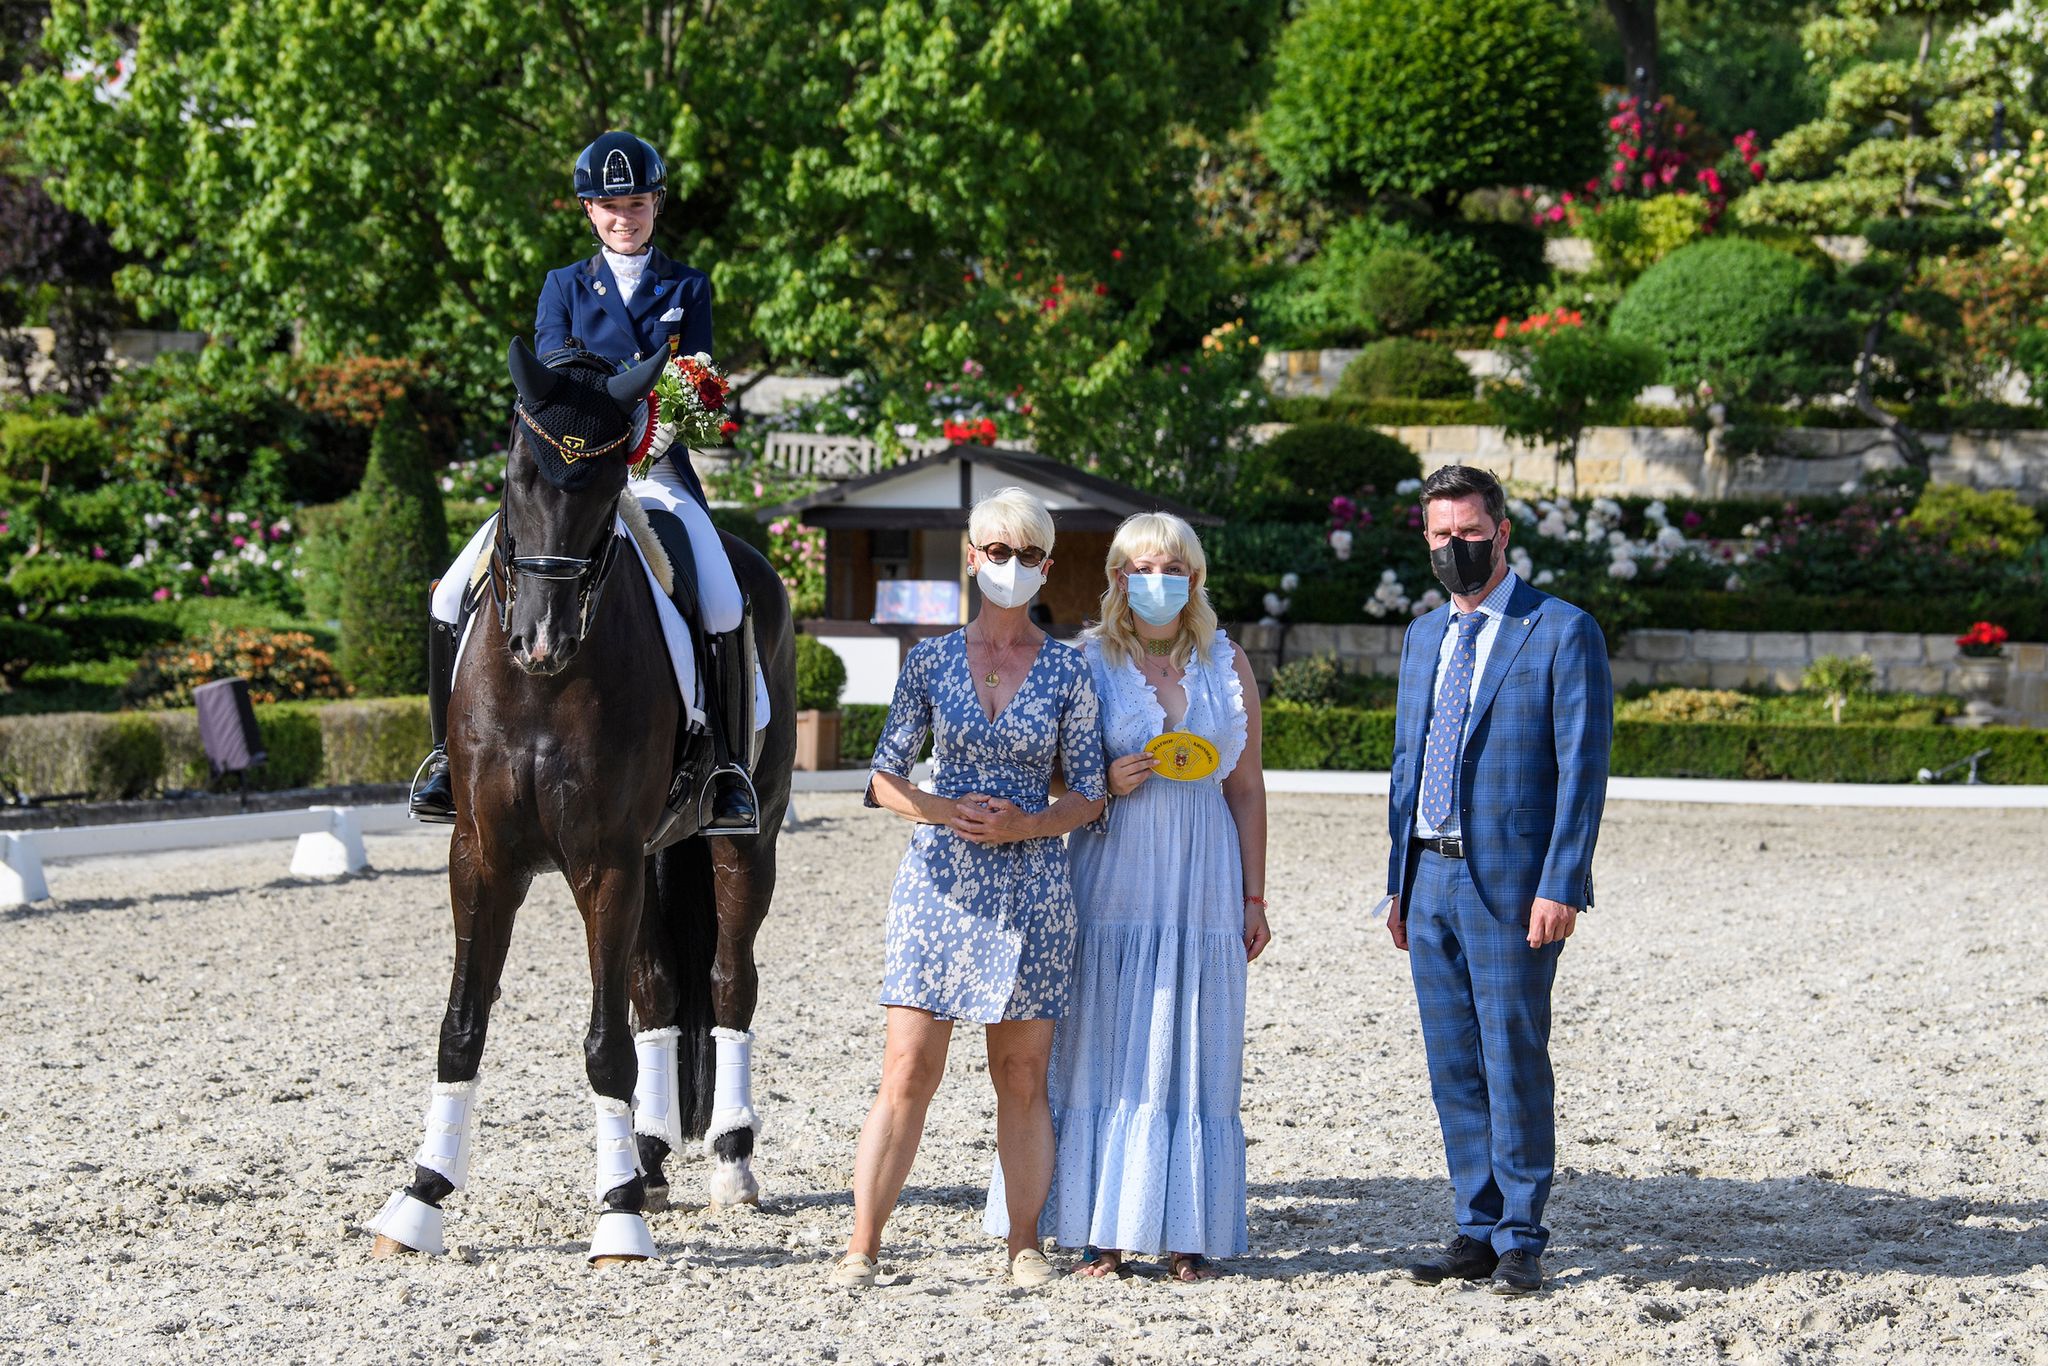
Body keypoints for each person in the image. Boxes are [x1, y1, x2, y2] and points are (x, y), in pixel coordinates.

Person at [409, 130, 757, 833]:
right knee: (451, 594)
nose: (623, 217)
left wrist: (661, 423)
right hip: (566, 481)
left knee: (722, 601)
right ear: (589, 212)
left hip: (656, 473)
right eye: (608, 206)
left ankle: (726, 766)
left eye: (635, 203)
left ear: (656, 204)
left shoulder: (687, 286)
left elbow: (700, 381)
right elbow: (551, 387)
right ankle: (446, 757)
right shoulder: (562, 287)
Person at [831, 487, 1108, 1290]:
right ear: (971, 556)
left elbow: (1089, 794)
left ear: (1047, 565)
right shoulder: (928, 660)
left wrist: (1025, 825)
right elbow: (882, 778)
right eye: (997, 551)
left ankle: (1025, 1244)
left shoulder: (1067, 670)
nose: (1011, 567)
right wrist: (945, 808)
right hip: (936, 885)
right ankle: (862, 1245)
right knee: (908, 1068)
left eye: (1027, 556)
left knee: (1020, 1077)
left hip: (1032, 889)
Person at [985, 511, 1269, 1282]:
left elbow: (1246, 789)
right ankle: (1099, 1232)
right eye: (1142, 568)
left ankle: (1187, 1231)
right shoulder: (1084, 662)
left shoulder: (1227, 662)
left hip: (1202, 872)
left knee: (1195, 1037)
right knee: (1103, 1042)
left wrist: (1254, 897)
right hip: (1113, 869)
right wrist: (1101, 783)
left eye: (1173, 568)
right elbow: (1046, 776)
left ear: (1195, 579)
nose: (1158, 582)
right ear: (1116, 578)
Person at [1384, 463, 1612, 1297]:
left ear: (1503, 532)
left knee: (1512, 1057)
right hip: (1430, 880)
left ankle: (1521, 1235)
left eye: (1471, 534)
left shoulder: (1561, 631)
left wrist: (1563, 883)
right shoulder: (1421, 638)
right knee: (1452, 1064)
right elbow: (1407, 767)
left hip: (1514, 888)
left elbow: (1581, 772)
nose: (1457, 549)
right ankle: (1473, 1228)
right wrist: (1398, 883)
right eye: (1442, 536)